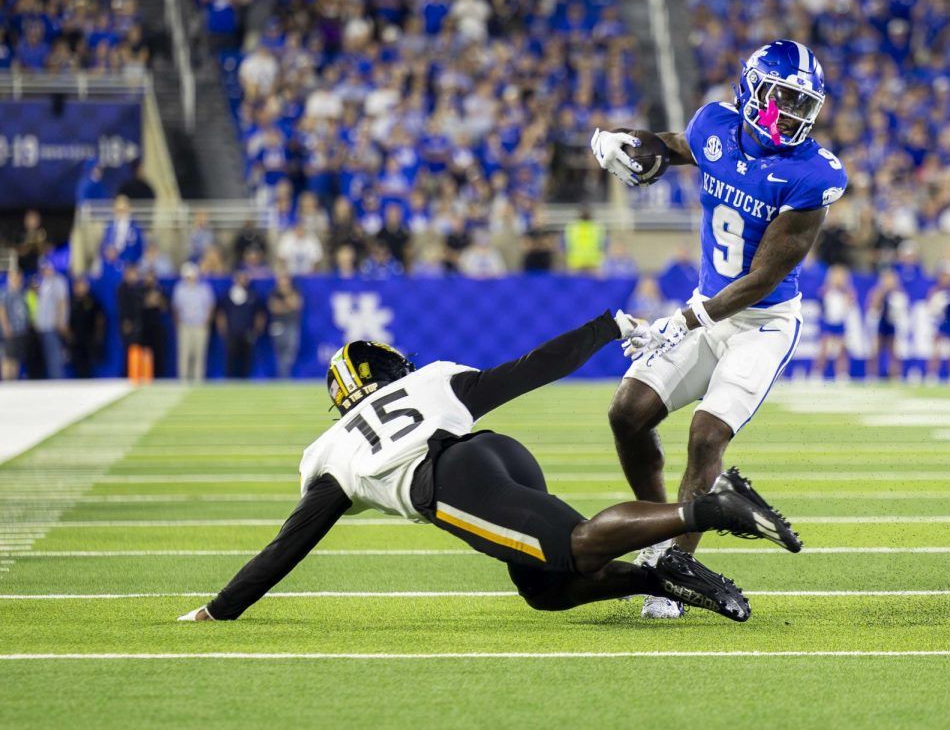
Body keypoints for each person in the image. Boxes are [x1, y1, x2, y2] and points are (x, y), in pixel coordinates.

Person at [177, 311, 800, 625]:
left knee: (578, 546)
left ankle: (715, 508)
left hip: (449, 482)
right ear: (394, 372)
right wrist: (604, 327)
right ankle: (664, 580)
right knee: (544, 587)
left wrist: (220, 608)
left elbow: (288, 546)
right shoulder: (432, 379)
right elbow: (530, 369)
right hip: (499, 453)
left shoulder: (332, 451)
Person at [591, 40, 845, 618]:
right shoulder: (715, 125)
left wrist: (682, 322)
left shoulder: (812, 175)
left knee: (706, 436)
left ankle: (676, 570)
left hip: (761, 321)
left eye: (804, 103)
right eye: (783, 97)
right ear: (752, 90)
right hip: (707, 305)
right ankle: (659, 536)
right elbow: (682, 148)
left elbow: (762, 279)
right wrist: (628, 143)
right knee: (626, 414)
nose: (794, 113)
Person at [216, 270, 266, 379]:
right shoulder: (228, 294)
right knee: (230, 358)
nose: (242, 280)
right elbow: (221, 312)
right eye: (240, 278)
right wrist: (222, 329)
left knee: (247, 359)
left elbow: (260, 313)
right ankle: (228, 380)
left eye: (244, 278)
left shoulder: (253, 295)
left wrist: (257, 330)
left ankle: (245, 380)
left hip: (248, 332)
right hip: (231, 332)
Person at [812, 265, 856, 382]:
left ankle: (841, 374)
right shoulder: (827, 289)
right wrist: (832, 286)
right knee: (824, 350)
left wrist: (844, 288)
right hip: (828, 322)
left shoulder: (846, 291)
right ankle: (816, 373)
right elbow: (820, 298)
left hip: (840, 322)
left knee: (841, 350)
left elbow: (851, 302)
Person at [172, 263, 215, 382]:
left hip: (200, 325)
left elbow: (210, 306)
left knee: (199, 354)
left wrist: (206, 321)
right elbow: (176, 307)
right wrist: (179, 323)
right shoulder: (179, 288)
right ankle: (183, 378)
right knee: (184, 353)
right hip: (185, 325)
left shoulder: (204, 288)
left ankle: (198, 379)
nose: (190, 278)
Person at [31, 259, 69, 379]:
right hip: (42, 327)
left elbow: (62, 302)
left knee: (54, 357)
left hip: (52, 326)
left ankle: (57, 382)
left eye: (47, 268)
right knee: (46, 357)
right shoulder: (43, 282)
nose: (45, 270)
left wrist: (62, 321)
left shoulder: (58, 281)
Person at [866, 268, 906, 380]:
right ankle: (872, 376)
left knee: (894, 352)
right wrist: (882, 293)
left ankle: (896, 376)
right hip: (879, 323)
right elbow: (873, 307)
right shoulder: (878, 291)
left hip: (892, 324)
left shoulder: (898, 292)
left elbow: (902, 308)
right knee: (875, 351)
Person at [67, 279, 105, 378]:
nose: (79, 289)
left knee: (89, 365)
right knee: (77, 363)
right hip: (75, 339)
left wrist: (98, 334)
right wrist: (68, 334)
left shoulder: (91, 300)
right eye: (77, 286)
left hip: (89, 338)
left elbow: (99, 317)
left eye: (82, 286)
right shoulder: (71, 301)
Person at [268, 273, 303, 378]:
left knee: (291, 351)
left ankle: (284, 375)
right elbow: (274, 308)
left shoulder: (294, 291)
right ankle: (282, 376)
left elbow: (296, 305)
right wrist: (288, 306)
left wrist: (286, 299)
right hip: (277, 325)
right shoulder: (274, 293)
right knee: (279, 352)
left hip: (291, 324)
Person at [0, 269, 31, 380]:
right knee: (8, 359)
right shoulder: (5, 293)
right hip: (10, 331)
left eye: (18, 277)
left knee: (16, 359)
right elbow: (2, 311)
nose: (16, 280)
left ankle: (13, 382)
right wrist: (6, 327)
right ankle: (7, 382)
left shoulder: (22, 293)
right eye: (13, 277)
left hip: (20, 331)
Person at [116, 264, 146, 379]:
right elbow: (123, 307)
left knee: (140, 349)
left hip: (140, 323)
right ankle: (129, 374)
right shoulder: (122, 288)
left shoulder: (139, 288)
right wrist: (126, 321)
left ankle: (139, 373)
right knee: (129, 349)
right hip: (128, 323)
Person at [101, 195, 145, 265]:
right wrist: (108, 252)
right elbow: (103, 246)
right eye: (119, 210)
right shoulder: (109, 227)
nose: (121, 213)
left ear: (129, 210)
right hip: (112, 264)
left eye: (124, 210)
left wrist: (130, 260)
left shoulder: (135, 227)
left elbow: (140, 248)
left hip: (130, 264)